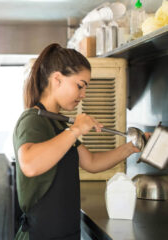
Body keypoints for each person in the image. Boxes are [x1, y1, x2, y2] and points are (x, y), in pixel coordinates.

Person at [13, 43, 143, 240]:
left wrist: (131, 147)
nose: (83, 95)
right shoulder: (33, 119)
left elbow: (91, 162)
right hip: (41, 235)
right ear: (57, 79)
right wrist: (74, 130)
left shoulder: (57, 124)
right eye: (80, 86)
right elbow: (30, 165)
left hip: (65, 233)